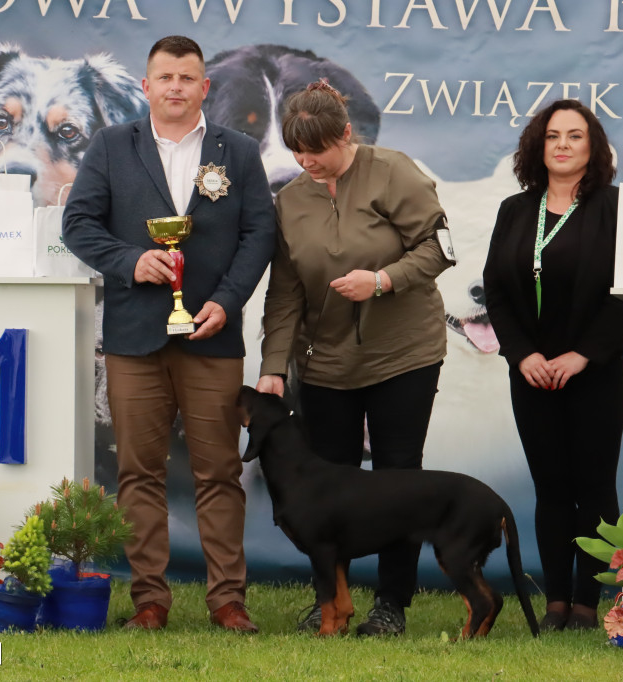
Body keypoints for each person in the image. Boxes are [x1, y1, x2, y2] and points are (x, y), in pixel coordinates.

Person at [62, 35, 275, 632]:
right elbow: (78, 223)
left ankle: (228, 599)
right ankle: (149, 599)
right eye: (165, 77)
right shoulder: (110, 147)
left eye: (187, 77)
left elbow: (259, 233)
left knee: (219, 472)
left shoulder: (237, 150)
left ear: (204, 87)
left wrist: (228, 303)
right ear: (147, 87)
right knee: (139, 472)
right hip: (134, 337)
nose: (176, 87)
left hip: (211, 335)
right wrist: (131, 261)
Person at [256, 80, 454, 636]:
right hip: (324, 367)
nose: (307, 162)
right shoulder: (291, 200)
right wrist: (274, 367)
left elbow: (440, 248)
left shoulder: (394, 171)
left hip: (404, 357)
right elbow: (285, 294)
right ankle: (332, 602)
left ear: (346, 134)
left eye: (317, 150)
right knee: (326, 494)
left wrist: (385, 279)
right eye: (298, 153)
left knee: (398, 483)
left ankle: (391, 604)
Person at [482, 99, 623, 631]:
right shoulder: (515, 210)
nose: (563, 144)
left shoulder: (615, 208)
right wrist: (523, 354)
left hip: (597, 369)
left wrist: (584, 353)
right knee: (550, 488)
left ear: (593, 148)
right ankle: (557, 602)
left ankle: (589, 603)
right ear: (537, 147)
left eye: (575, 135)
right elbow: (496, 291)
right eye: (552, 136)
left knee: (593, 488)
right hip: (533, 372)